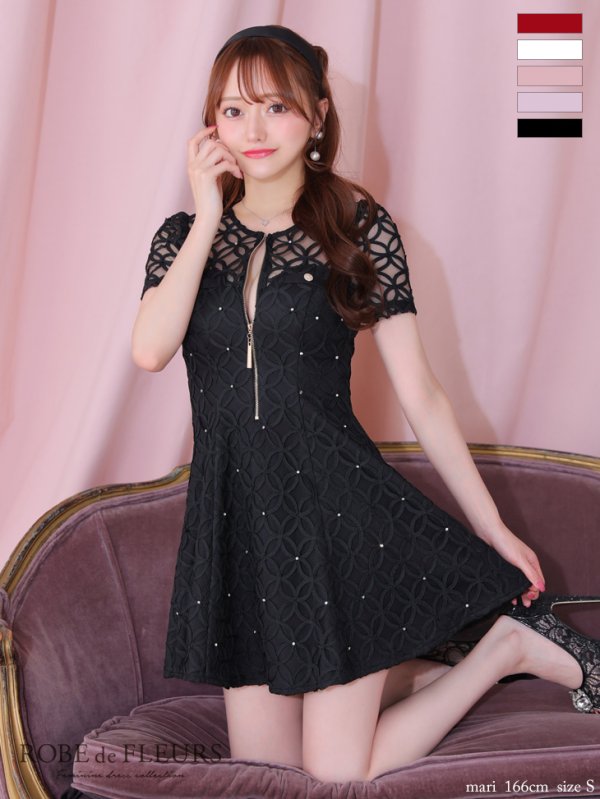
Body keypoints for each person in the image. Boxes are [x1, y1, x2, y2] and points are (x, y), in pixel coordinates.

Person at [131, 24, 600, 783]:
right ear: (210, 125)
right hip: (238, 528)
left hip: (340, 522)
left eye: (277, 107)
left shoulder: (356, 230)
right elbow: (151, 350)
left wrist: (492, 526)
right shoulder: (183, 236)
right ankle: (412, 669)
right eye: (234, 110)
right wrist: (209, 213)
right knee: (266, 771)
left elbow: (422, 393)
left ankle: (504, 649)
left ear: (318, 115)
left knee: (335, 773)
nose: (254, 129)